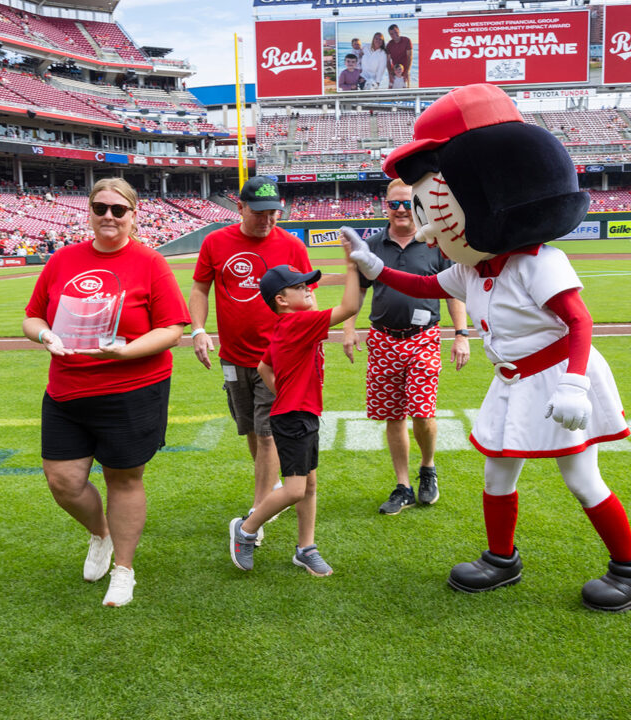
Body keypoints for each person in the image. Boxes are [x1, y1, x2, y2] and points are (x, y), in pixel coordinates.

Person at [345, 83, 631, 612]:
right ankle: (500, 557)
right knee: (496, 470)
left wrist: (576, 385)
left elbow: (579, 323)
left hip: (558, 375)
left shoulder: (538, 261)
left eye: (433, 206)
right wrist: (374, 267)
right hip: (513, 379)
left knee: (582, 478)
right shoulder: (474, 268)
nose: (426, 225)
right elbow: (425, 286)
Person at [23, 177, 189, 608]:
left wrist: (127, 351)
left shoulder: (150, 263)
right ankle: (101, 534)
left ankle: (124, 569)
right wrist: (44, 338)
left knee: (123, 478)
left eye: (119, 209)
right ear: (90, 212)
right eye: (101, 208)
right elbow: (32, 318)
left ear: (134, 215)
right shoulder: (63, 259)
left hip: (131, 388)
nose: (109, 216)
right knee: (62, 481)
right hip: (67, 388)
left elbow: (172, 329)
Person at [189, 176, 316, 519]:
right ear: (240, 207)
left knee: (266, 435)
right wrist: (199, 330)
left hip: (276, 359)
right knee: (250, 429)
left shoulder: (292, 246)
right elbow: (201, 288)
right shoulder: (216, 242)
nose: (268, 220)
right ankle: (271, 487)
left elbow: (308, 298)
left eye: (274, 212)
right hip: (233, 357)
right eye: (260, 212)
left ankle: (258, 512)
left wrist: (309, 341)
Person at [343, 179, 469, 515]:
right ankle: (403, 486)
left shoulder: (436, 244)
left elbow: (454, 290)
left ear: (416, 206)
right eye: (393, 204)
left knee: (423, 412)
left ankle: (427, 467)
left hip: (423, 337)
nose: (400, 210)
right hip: (383, 339)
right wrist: (349, 327)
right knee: (392, 415)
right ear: (385, 206)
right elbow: (358, 289)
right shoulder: (371, 244)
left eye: (405, 204)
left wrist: (461, 333)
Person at [229, 252, 359, 576]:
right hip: (294, 417)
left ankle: (306, 548)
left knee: (309, 484)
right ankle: (245, 530)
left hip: (299, 413)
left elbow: (263, 366)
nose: (309, 290)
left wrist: (285, 394)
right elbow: (350, 308)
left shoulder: (286, 325)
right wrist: (353, 266)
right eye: (301, 287)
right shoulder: (299, 322)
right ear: (282, 299)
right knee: (296, 489)